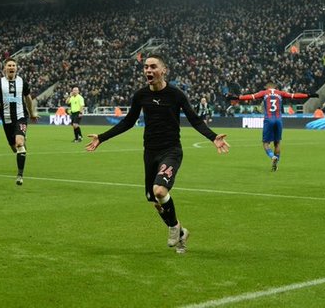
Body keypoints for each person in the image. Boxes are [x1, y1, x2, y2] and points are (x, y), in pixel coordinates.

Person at [85, 54, 230, 254]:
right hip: (150, 153)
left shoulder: (176, 95)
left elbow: (194, 119)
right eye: (146, 67)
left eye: (153, 67)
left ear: (163, 70)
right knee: (155, 200)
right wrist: (102, 137)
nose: (148, 70)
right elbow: (128, 122)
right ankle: (181, 233)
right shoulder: (140, 95)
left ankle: (172, 228)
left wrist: (213, 137)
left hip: (171, 150)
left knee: (160, 191)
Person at [226, 82, 317, 172]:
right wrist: (309, 95)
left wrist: (236, 97)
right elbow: (295, 96)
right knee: (277, 143)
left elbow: (250, 96)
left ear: (268, 86)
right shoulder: (280, 93)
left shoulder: (264, 93)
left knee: (265, 143)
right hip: (278, 120)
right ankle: (276, 163)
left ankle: (272, 156)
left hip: (268, 119)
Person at [0, 58, 38, 186]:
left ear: (16, 68)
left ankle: (20, 175)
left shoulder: (22, 82)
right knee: (14, 147)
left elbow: (28, 99)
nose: (11, 67)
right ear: (5, 68)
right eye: (9, 65)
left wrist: (32, 113)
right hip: (6, 119)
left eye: (13, 65)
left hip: (21, 117)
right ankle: (21, 149)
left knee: (19, 143)